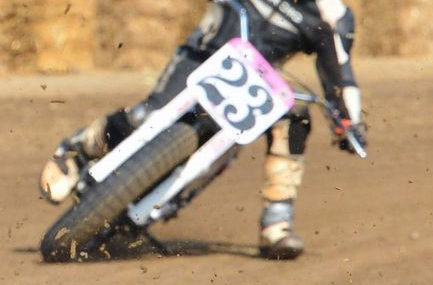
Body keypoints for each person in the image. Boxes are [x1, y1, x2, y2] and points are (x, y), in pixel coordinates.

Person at [38, 0, 366, 260]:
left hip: (254, 86)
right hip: (202, 58)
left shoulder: (334, 15)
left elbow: (340, 73)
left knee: (296, 119)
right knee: (146, 116)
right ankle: (79, 150)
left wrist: (349, 120)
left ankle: (277, 219)